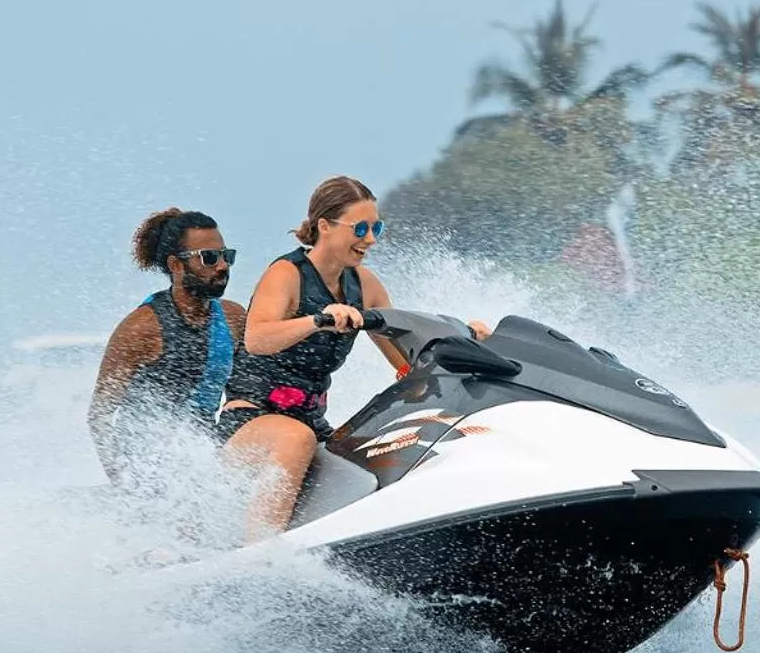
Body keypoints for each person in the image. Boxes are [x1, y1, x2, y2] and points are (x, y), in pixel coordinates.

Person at [220, 175, 485, 542]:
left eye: (377, 227)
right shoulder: (287, 274)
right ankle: (258, 555)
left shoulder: (366, 286)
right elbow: (257, 339)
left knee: (375, 458)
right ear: (325, 226)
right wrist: (317, 320)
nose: (371, 239)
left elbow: (406, 362)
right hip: (249, 423)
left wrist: (467, 340)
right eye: (360, 227)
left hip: (313, 426)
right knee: (297, 439)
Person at [88, 208, 247, 486]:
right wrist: (124, 481)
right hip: (148, 465)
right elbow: (99, 416)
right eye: (209, 258)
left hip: (204, 454)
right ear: (176, 265)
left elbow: (249, 387)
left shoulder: (233, 319)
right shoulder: (141, 329)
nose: (222, 266)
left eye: (226, 256)